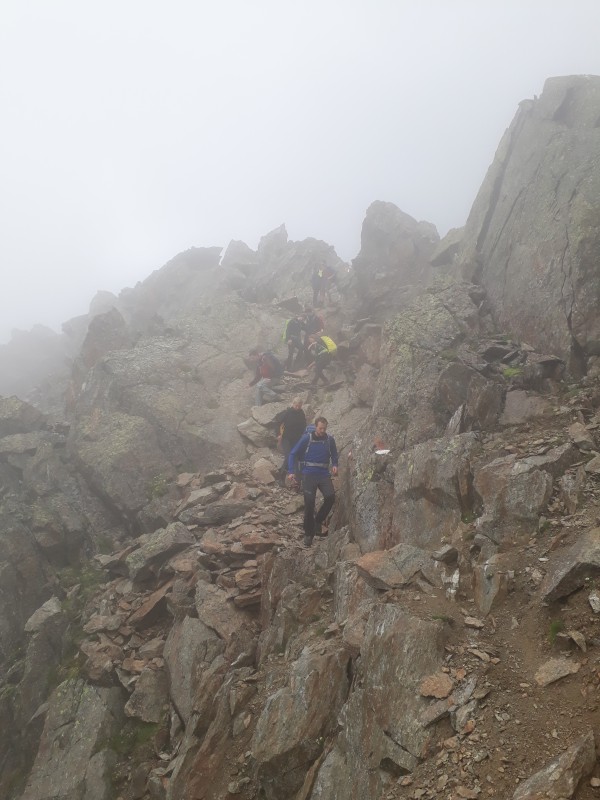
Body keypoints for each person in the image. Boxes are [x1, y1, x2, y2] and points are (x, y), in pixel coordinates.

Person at [288, 416, 338, 547]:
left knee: (330, 497)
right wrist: (291, 471)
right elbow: (293, 453)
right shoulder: (307, 438)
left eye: (324, 428)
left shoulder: (329, 440)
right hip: (308, 474)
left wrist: (335, 465)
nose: (322, 430)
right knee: (309, 504)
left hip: (323, 474)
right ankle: (308, 534)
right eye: (320, 428)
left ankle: (318, 520)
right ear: (316, 427)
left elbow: (334, 454)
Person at [274, 397, 306, 484]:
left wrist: (304, 436)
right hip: (286, 439)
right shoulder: (287, 412)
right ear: (293, 404)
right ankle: (281, 478)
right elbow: (277, 422)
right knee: (289, 457)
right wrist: (278, 434)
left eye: (299, 406)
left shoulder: (301, 413)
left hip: (297, 439)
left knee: (295, 458)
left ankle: (296, 481)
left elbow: (304, 426)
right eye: (296, 406)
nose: (297, 408)